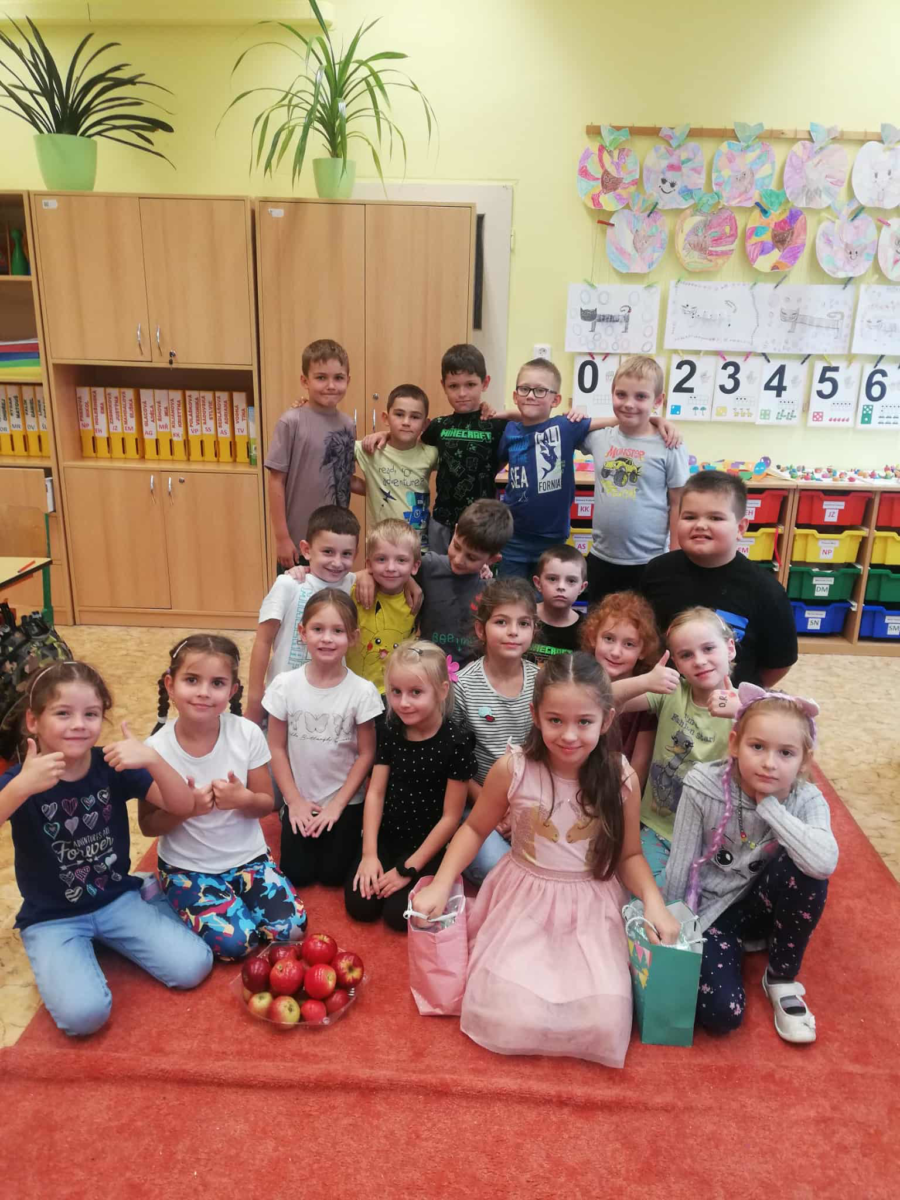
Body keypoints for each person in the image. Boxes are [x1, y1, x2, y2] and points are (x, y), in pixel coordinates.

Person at [413, 652, 680, 1066]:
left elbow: (629, 854)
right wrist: (442, 883)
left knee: (604, 1022)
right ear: (536, 715)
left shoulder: (620, 776)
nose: (569, 735)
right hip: (522, 901)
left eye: (584, 722)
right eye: (556, 720)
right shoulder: (513, 768)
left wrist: (654, 902)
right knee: (504, 1013)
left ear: (606, 720)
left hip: (591, 907)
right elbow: (474, 829)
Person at [0, 661, 212, 1037]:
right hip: (52, 917)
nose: (79, 724)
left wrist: (152, 759)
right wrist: (20, 788)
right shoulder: (21, 779)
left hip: (115, 899)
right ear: (33, 721)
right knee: (84, 1017)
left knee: (193, 967)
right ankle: (68, 948)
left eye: (91, 714)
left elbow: (182, 805)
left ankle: (141, 894)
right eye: (63, 713)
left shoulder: (110, 765)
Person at [664, 684, 838, 1043]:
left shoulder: (806, 797)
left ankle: (780, 977)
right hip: (715, 912)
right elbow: (681, 864)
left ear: (804, 760)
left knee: (807, 870)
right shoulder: (702, 785)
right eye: (757, 747)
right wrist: (673, 933)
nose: (770, 763)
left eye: (786, 753)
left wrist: (770, 807)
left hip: (765, 903)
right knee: (721, 1015)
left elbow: (824, 863)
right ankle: (740, 946)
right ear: (734, 744)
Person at [142, 636, 307, 960]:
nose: (204, 692)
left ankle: (226, 901)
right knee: (237, 945)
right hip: (187, 867)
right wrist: (185, 809)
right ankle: (161, 898)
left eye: (217, 683)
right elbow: (148, 826)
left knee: (291, 931)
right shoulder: (155, 750)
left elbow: (266, 802)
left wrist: (242, 799)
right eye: (192, 680)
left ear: (232, 690)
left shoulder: (246, 733)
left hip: (249, 859)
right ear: (170, 685)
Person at [496, 358, 679, 580]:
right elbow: (531, 425)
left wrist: (657, 419)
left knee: (548, 594)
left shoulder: (565, 427)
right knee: (509, 594)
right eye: (525, 389)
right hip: (516, 538)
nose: (531, 396)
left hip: (560, 540)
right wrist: (503, 414)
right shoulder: (510, 431)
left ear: (556, 399)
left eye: (540, 390)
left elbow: (620, 419)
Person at [346, 641, 476, 932]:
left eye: (416, 692)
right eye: (396, 692)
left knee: (398, 917)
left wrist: (409, 868)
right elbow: (376, 793)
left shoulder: (457, 742)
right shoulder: (391, 729)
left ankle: (439, 879)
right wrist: (369, 854)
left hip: (428, 845)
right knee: (361, 906)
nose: (403, 703)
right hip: (388, 837)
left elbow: (450, 818)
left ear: (442, 690)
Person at [264, 590, 383, 890]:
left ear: (353, 637)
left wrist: (338, 805)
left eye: (338, 631)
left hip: (345, 801)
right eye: (318, 629)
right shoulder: (285, 685)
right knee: (297, 874)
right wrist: (293, 801)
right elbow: (276, 747)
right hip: (301, 798)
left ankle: (350, 828)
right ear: (302, 632)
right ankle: (287, 814)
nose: (327, 639)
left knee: (333, 876)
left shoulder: (362, 691)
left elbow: (366, 754)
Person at [641, 470, 797, 687]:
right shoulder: (656, 571)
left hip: (729, 701)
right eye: (689, 517)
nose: (700, 525)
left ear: (740, 528)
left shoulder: (767, 591)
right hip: (664, 697)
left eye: (715, 518)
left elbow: (779, 663)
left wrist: (741, 690)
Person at [621, 607, 739, 884]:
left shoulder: (749, 704)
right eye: (686, 655)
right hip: (659, 829)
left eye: (708, 648)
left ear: (730, 648)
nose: (699, 661)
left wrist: (745, 712)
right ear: (676, 662)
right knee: (646, 892)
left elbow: (797, 730)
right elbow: (599, 699)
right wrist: (644, 681)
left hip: (714, 837)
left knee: (702, 897)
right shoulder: (672, 693)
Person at [360, 344, 505, 555]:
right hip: (441, 521)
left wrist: (503, 413)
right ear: (443, 385)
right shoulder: (438, 426)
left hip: (481, 523)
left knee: (476, 572)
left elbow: (514, 443)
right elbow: (410, 444)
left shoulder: (497, 425)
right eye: (453, 386)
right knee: (437, 570)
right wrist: (387, 434)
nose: (462, 393)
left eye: (470, 384)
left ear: (485, 383)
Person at [584, 355, 689, 604]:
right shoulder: (599, 437)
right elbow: (562, 427)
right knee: (600, 623)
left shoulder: (669, 444)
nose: (629, 404)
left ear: (658, 400)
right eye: (621, 395)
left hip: (649, 561)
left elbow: (679, 503)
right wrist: (652, 418)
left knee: (646, 626)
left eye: (641, 397)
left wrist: (675, 558)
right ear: (612, 393)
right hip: (601, 559)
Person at [454, 578, 539, 884]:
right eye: (502, 622)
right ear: (481, 630)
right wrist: (495, 808)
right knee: (496, 868)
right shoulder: (463, 686)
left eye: (523, 623)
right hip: (477, 800)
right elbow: (455, 763)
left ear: (534, 630)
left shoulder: (542, 683)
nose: (513, 631)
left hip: (532, 799)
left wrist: (521, 811)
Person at [245, 505, 359, 725]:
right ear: (306, 550)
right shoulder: (289, 584)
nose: (337, 562)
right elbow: (263, 640)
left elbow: (377, 574)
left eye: (346, 554)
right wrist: (254, 700)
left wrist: (410, 583)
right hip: (283, 701)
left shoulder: (351, 584)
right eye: (328, 552)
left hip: (330, 701)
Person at [265, 338, 355, 570]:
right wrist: (282, 538)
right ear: (305, 381)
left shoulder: (348, 425)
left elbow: (344, 478)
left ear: (348, 380)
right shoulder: (291, 422)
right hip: (298, 542)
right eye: (321, 377)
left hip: (335, 543)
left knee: (332, 595)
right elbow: (276, 481)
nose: (331, 385)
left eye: (338, 378)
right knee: (295, 593)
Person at [416, 498, 513, 668]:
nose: (459, 560)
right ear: (455, 531)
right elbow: (392, 572)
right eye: (456, 546)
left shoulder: (491, 590)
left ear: (492, 560)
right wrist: (368, 575)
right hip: (426, 667)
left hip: (470, 673)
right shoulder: (428, 566)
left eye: (472, 557)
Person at [583, 590, 661, 792]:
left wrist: (624, 802)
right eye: (609, 639)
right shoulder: (579, 680)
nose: (616, 652)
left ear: (643, 650)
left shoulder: (646, 699)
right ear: (593, 637)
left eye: (629, 644)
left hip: (619, 792)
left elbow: (640, 765)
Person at [351, 384, 437, 547]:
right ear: (386, 418)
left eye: (415, 417)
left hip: (417, 545)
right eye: (399, 414)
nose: (406, 422)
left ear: (425, 424)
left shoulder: (431, 454)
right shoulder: (370, 448)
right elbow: (327, 453)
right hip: (380, 546)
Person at [346, 518, 421, 694]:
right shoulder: (354, 590)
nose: (391, 567)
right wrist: (361, 575)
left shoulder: (416, 597)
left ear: (415, 566)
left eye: (401, 560)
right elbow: (323, 581)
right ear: (369, 564)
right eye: (381, 559)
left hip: (394, 693)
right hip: (352, 690)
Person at [529, 543, 588, 666]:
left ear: (582, 588)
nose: (561, 587)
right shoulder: (524, 617)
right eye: (552, 579)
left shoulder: (586, 629)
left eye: (571, 581)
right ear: (538, 583)